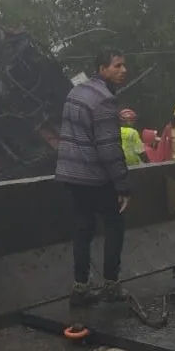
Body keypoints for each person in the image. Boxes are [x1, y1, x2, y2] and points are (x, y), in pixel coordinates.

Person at [56, 48, 131, 306]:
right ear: (102, 69)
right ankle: (111, 285)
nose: (123, 71)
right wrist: (122, 184)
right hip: (95, 177)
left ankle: (80, 288)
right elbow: (109, 148)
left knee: (82, 228)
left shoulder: (76, 92)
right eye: (117, 66)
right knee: (114, 224)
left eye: (123, 66)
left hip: (71, 175)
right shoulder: (104, 101)